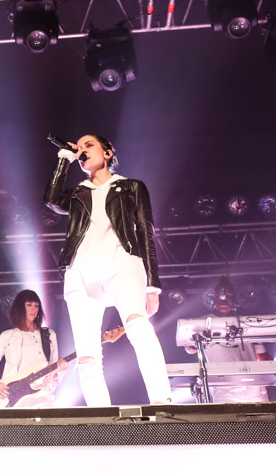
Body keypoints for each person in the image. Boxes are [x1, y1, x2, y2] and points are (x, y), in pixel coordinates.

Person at [44, 133, 171, 406]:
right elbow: (52, 200)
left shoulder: (131, 186)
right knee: (87, 354)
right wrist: (64, 158)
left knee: (138, 327)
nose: (82, 150)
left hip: (121, 262)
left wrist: (153, 285)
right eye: (79, 148)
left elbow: (146, 232)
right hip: (80, 270)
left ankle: (162, 402)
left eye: (89, 145)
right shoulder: (77, 193)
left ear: (108, 153)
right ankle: (100, 415)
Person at [186, 277, 273, 403]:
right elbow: (189, 348)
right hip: (225, 390)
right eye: (219, 295)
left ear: (234, 297)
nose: (223, 298)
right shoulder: (204, 321)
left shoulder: (246, 321)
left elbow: (263, 357)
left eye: (227, 294)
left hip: (256, 389)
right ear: (214, 298)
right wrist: (194, 343)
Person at [0, 289, 70, 408]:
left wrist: (61, 370)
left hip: (40, 399)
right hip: (10, 399)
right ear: (20, 308)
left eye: (36, 306)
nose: (34, 309)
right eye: (29, 305)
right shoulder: (6, 336)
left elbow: (52, 374)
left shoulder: (49, 335)